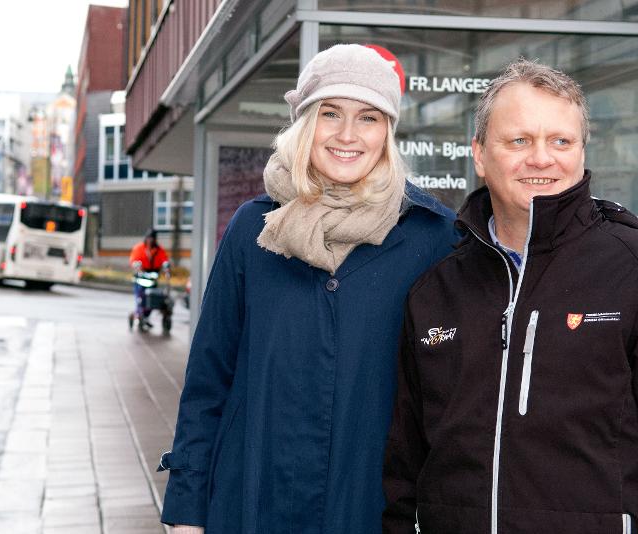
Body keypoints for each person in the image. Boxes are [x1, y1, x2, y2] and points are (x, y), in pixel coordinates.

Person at [158, 44, 460, 534]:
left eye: (368, 117)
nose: (347, 135)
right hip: (251, 500)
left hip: (370, 508)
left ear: (388, 131)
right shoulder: (253, 228)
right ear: (303, 124)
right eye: (330, 114)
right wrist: (186, 509)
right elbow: (208, 377)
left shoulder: (433, 237)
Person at [382, 58, 638, 533]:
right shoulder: (435, 291)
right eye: (519, 140)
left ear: (582, 151)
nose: (541, 158)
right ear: (479, 154)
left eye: (560, 141)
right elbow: (405, 463)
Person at [128, 228, 169, 327]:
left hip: (152, 278)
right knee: (140, 298)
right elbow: (133, 260)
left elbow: (164, 260)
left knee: (152, 299)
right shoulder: (139, 248)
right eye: (149, 238)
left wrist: (166, 266)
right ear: (146, 238)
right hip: (140, 277)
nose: (150, 240)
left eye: (152, 238)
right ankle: (139, 314)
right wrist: (136, 265)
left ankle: (145, 316)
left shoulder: (159, 250)